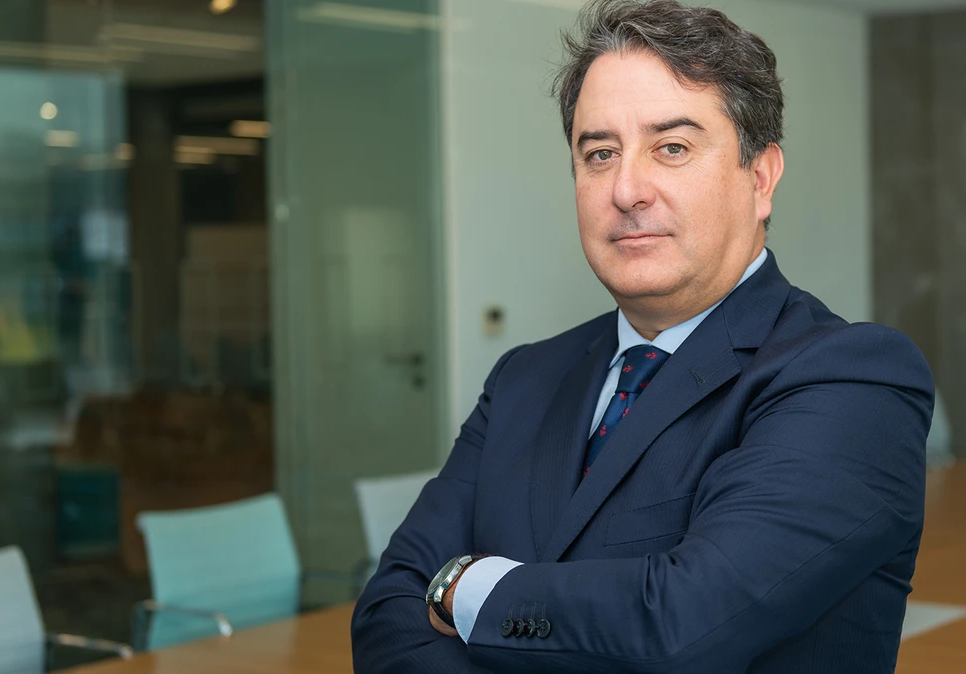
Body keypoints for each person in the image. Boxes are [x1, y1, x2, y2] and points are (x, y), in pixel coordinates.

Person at [351, 1, 934, 671]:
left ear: (760, 176)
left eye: (672, 148)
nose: (627, 189)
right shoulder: (523, 379)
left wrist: (464, 587)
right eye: (599, 154)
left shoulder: (851, 379)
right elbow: (385, 618)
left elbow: (684, 626)